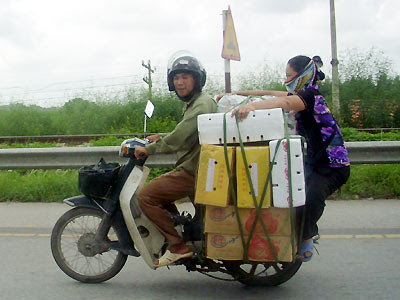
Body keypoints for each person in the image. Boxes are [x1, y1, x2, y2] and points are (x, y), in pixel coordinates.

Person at [216, 55, 350, 262]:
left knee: (312, 197)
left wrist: (251, 108)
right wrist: (235, 94)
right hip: (315, 162)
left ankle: (308, 236)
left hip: (333, 165)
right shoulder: (300, 93)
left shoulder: (310, 96)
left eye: (289, 75)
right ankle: (297, 235)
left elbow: (284, 101)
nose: (286, 80)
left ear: (303, 75)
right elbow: (268, 94)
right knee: (292, 196)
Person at [134, 51, 217, 268]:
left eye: (185, 77)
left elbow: (181, 136)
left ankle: (178, 246)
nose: (179, 82)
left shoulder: (201, 104)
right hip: (198, 168)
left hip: (194, 172)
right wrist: (161, 138)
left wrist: (151, 148)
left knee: (146, 196)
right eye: (176, 78)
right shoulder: (196, 103)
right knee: (161, 195)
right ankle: (183, 233)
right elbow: (186, 133)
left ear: (197, 79)